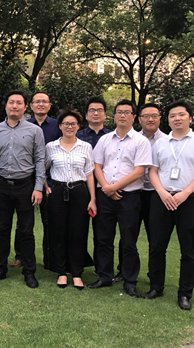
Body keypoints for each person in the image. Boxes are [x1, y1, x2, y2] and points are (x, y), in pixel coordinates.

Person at [89, 100, 152, 298]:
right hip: (105, 196)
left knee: (128, 240)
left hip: (129, 197)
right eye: (119, 112)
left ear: (134, 117)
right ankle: (104, 276)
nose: (122, 115)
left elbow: (139, 171)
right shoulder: (105, 139)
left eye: (127, 112)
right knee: (103, 238)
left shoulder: (141, 141)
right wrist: (106, 188)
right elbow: (97, 166)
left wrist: (113, 187)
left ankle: (130, 280)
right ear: (114, 116)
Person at [0, 90, 45, 289]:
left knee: (26, 231)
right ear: (6, 106)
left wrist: (38, 188)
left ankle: (29, 271)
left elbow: (40, 159)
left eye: (19, 103)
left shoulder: (34, 130)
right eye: (11, 102)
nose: (15, 106)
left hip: (25, 186)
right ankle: (0, 268)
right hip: (2, 186)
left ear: (25, 107)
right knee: (1, 229)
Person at [143, 100, 194, 311]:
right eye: (172, 115)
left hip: (188, 200)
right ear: (168, 120)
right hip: (162, 199)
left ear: (190, 118)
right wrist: (162, 193)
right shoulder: (161, 143)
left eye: (181, 114)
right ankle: (156, 287)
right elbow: (152, 171)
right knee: (156, 246)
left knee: (188, 249)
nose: (177, 118)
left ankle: (185, 293)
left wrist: (185, 193)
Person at [45, 109, 96, 290]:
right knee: (58, 231)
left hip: (79, 192)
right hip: (58, 192)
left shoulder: (86, 147)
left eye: (73, 124)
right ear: (60, 126)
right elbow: (42, 168)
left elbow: (89, 173)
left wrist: (93, 199)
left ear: (78, 126)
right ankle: (61, 272)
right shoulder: (51, 147)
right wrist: (46, 186)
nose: (69, 127)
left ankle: (76, 273)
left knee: (78, 232)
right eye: (66, 123)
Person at [114, 103, 164, 283]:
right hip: (133, 192)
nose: (150, 119)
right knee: (128, 234)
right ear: (139, 119)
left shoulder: (166, 141)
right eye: (146, 116)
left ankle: (154, 275)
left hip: (156, 194)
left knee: (155, 236)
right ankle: (123, 271)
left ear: (160, 118)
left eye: (154, 116)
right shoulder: (130, 137)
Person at [14, 91, 62, 269]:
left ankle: (50, 258)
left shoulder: (58, 126)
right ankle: (20, 256)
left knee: (50, 220)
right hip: (26, 179)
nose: (41, 104)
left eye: (44, 101)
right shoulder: (22, 125)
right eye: (37, 101)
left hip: (51, 180)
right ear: (31, 106)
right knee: (23, 221)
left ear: (49, 106)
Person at [76, 97, 111, 275]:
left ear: (105, 114)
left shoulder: (112, 136)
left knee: (102, 231)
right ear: (86, 114)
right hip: (80, 188)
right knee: (78, 228)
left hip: (105, 189)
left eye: (99, 110)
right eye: (92, 110)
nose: (96, 113)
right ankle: (77, 264)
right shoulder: (77, 136)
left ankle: (101, 267)